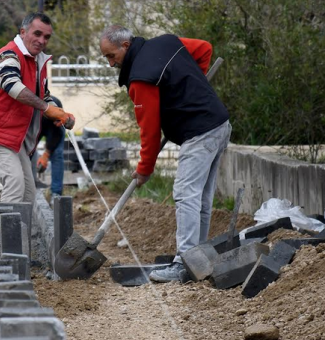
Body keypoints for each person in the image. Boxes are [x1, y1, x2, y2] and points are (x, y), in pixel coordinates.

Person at [99, 25, 231, 282]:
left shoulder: (140, 78)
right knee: (201, 197)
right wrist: (189, 87)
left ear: (125, 46)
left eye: (110, 55)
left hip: (200, 133)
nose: (110, 63)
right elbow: (204, 49)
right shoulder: (167, 42)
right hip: (219, 125)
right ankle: (198, 259)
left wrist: (145, 169)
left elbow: (148, 130)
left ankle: (184, 263)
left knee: (185, 194)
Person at [0, 12, 75, 205]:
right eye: (37, 34)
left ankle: (24, 236)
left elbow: (43, 96)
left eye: (46, 37)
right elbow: (12, 85)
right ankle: (7, 236)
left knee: (29, 192)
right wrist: (47, 108)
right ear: (23, 32)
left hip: (16, 137)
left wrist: (60, 114)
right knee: (15, 184)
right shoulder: (8, 55)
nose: (41, 40)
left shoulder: (38, 62)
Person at [33, 96, 65, 197]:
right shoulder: (28, 109)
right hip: (35, 127)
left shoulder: (54, 109)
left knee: (57, 154)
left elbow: (56, 134)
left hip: (54, 128)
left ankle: (56, 193)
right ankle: (30, 185)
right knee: (28, 152)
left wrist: (46, 155)